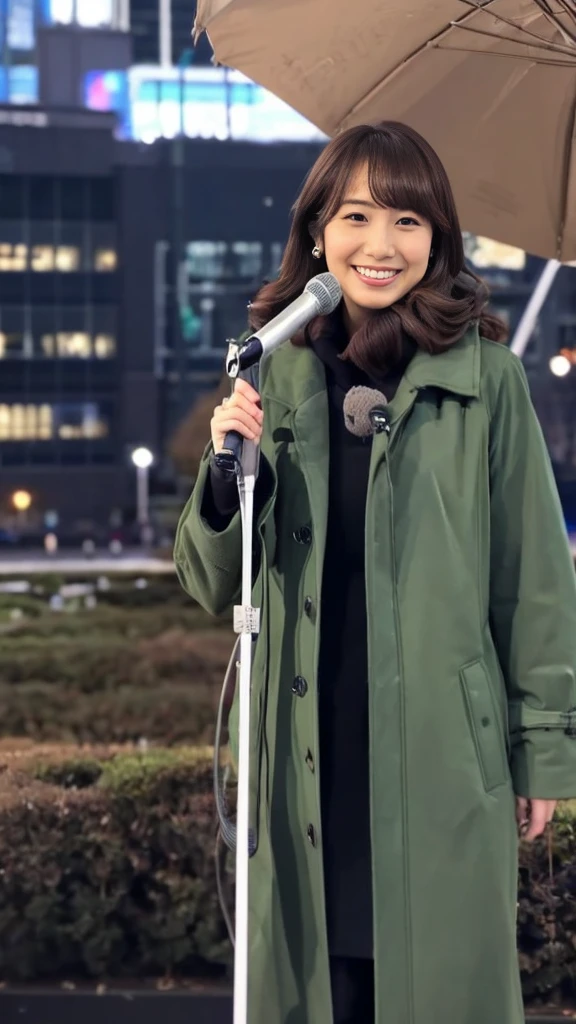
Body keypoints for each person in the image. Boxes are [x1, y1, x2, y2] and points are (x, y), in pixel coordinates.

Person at [174, 122, 576, 1024]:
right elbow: (211, 585)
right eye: (356, 216)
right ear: (318, 233)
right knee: (323, 986)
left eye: (407, 219)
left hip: (440, 756)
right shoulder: (273, 376)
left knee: (433, 987)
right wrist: (225, 466)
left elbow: (536, 582)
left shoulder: (486, 380)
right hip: (304, 753)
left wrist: (541, 749)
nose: (381, 244)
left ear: (438, 240)